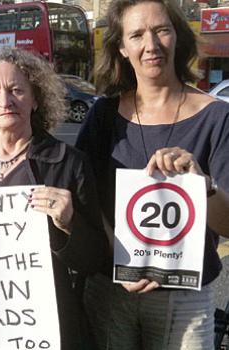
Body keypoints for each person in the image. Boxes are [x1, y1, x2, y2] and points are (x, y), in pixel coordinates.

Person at [0, 48, 108, 350]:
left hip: (47, 331)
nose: (5, 101)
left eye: (16, 90)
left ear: (36, 99)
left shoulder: (69, 163)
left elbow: (95, 259)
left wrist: (68, 226)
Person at [75, 0, 229, 349]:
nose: (151, 45)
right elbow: (86, 198)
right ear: (122, 48)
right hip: (111, 292)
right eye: (137, 35)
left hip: (185, 301)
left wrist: (202, 184)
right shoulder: (102, 116)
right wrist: (119, 253)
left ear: (178, 36)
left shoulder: (218, 118)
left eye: (162, 30)